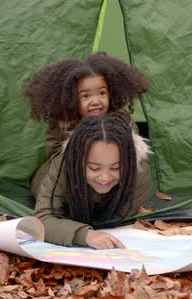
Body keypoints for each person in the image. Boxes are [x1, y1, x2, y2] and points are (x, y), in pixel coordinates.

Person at [24, 53, 149, 195]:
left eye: (102, 93)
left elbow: (133, 146)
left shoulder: (121, 119)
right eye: (86, 96)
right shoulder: (64, 124)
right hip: (72, 178)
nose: (95, 101)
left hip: (108, 175)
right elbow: (54, 154)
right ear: (71, 99)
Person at [34, 112, 151, 249]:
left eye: (116, 168)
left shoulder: (139, 173)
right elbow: (43, 219)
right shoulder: (61, 167)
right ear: (77, 162)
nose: (105, 177)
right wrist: (85, 235)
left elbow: (120, 217)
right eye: (94, 168)